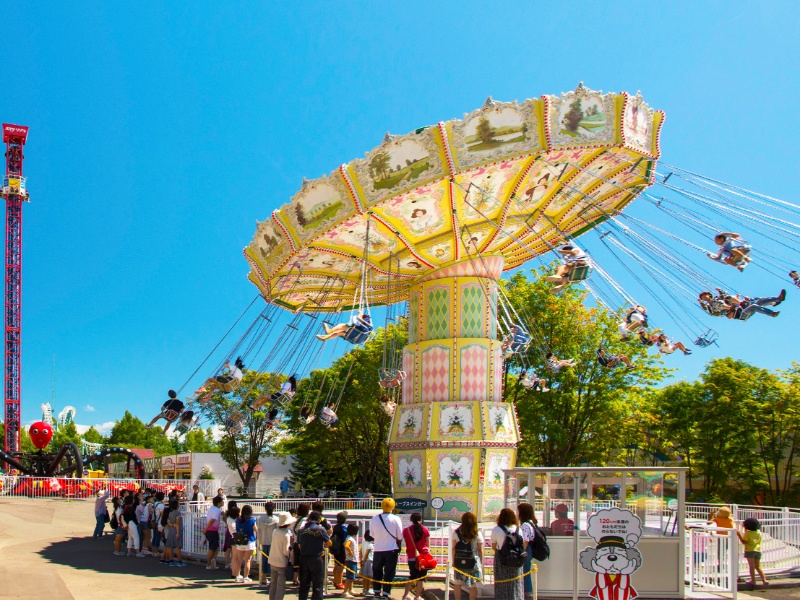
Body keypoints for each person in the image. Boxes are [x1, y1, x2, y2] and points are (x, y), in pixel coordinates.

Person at [369, 498, 403, 598]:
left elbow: (372, 534)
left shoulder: (375, 518)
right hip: (392, 549)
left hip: (378, 549)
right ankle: (386, 593)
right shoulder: (396, 519)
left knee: (377, 571)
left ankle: (376, 592)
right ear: (393, 507)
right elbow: (400, 536)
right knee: (389, 572)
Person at [297, 511, 332, 600]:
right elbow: (329, 543)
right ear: (319, 520)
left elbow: (299, 545)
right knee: (317, 585)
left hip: (304, 558)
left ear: (308, 519)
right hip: (316, 557)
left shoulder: (301, 530)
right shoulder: (320, 529)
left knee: (303, 585)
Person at [492, 508, 524, 600]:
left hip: (501, 557)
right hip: (516, 559)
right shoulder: (518, 529)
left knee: (501, 581)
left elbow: (494, 545)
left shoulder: (497, 529)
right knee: (515, 581)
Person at [451, 511, 483, 600]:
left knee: (457, 583)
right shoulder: (477, 533)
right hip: (474, 561)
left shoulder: (456, 533)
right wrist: (481, 561)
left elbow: (453, 548)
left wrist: (453, 561)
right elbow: (480, 549)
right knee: (473, 584)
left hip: (459, 561)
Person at [402, 512, 430, 600]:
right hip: (423, 557)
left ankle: (405, 595)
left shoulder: (406, 530)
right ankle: (417, 597)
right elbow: (427, 545)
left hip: (411, 555)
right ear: (420, 520)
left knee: (411, 577)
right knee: (421, 579)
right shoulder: (425, 529)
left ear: (411, 520)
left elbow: (405, 541)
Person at [269, 512, 296, 600]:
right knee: (281, 585)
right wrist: (290, 551)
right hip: (281, 562)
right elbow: (285, 551)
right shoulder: (286, 535)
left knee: (273, 583)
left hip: (272, 560)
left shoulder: (275, 531)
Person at [738, 518, 769, 590]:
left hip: (750, 550)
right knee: (758, 566)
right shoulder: (758, 532)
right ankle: (764, 580)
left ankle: (753, 581)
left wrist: (739, 535)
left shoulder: (748, 533)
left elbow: (744, 542)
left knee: (751, 566)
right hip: (758, 550)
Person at [232, 504, 258, 584]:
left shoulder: (238, 520)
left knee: (239, 560)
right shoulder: (251, 520)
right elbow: (256, 530)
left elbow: (236, 529)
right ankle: (246, 577)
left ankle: (238, 576)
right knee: (247, 560)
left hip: (240, 541)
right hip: (249, 541)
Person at [518, 503, 539, 600]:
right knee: (526, 569)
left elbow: (525, 540)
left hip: (526, 549)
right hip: (529, 549)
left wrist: (520, 552)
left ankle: (527, 593)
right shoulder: (531, 523)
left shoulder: (525, 525)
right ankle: (527, 592)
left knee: (525, 570)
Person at [257, 501, 278, 587]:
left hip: (263, 541)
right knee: (274, 562)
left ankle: (263, 579)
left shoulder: (260, 518)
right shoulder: (276, 519)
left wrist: (259, 542)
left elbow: (259, 531)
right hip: (273, 542)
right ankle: (273, 579)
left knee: (264, 561)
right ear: (274, 509)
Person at [202, 495, 224, 570]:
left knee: (214, 547)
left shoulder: (213, 508)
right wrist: (206, 528)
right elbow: (212, 520)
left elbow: (220, 513)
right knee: (212, 548)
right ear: (218, 503)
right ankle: (209, 564)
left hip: (211, 531)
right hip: (212, 531)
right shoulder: (217, 510)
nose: (223, 502)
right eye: (222, 501)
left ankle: (212, 562)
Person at [163, 499, 185, 567]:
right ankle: (179, 561)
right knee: (178, 547)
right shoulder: (178, 513)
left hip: (171, 530)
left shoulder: (170, 513)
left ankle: (171, 560)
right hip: (177, 530)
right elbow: (177, 524)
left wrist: (172, 525)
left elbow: (169, 522)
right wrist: (177, 533)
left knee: (170, 546)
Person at [342, 523, 361, 599]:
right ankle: (345, 591)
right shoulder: (349, 538)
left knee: (352, 576)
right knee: (350, 577)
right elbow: (346, 545)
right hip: (351, 560)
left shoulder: (350, 538)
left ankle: (351, 589)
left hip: (354, 560)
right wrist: (350, 551)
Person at [331, 511, 349, 589]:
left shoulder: (336, 526)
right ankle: (339, 582)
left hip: (335, 548)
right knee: (341, 566)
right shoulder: (343, 528)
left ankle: (335, 580)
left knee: (336, 564)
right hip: (341, 548)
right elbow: (345, 538)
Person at [224, 503, 240, 569]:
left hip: (228, 531)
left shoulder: (227, 514)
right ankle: (232, 564)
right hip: (234, 534)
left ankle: (227, 563)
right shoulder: (235, 516)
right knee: (233, 549)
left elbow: (224, 520)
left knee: (228, 548)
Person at [360, 530, 374, 596]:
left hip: (364, 561)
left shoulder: (363, 543)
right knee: (369, 576)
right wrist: (364, 560)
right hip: (369, 561)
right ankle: (367, 589)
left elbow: (360, 552)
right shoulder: (370, 545)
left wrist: (361, 560)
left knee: (364, 576)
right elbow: (367, 554)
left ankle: (364, 589)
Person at [151, 491, 165, 556]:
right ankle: (156, 552)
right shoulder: (161, 505)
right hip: (159, 522)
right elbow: (162, 514)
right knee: (158, 537)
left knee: (154, 536)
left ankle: (153, 551)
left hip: (155, 521)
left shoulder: (155, 504)